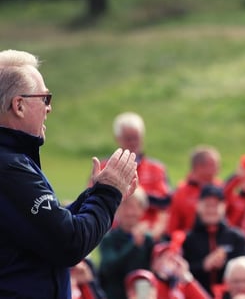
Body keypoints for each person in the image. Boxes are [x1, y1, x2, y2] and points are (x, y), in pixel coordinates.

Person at [0, 49, 139, 298]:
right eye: (45, 98)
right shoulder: (9, 168)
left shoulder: (12, 161)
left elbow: (47, 229)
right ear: (18, 105)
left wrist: (96, 195)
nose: (49, 108)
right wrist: (108, 193)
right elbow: (68, 244)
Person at [110, 111, 172, 239]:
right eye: (128, 138)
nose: (133, 142)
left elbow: (165, 203)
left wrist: (137, 196)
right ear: (118, 139)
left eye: (136, 137)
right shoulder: (106, 166)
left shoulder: (156, 168)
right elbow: (93, 199)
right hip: (114, 234)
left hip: (148, 233)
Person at [183, 184, 245, 294]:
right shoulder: (187, 239)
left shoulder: (236, 237)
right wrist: (204, 265)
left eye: (215, 205)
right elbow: (180, 273)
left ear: (224, 207)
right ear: (198, 206)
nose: (211, 209)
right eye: (207, 205)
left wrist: (225, 264)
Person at [99, 187, 157, 299]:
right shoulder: (109, 239)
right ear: (117, 210)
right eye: (125, 206)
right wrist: (133, 245)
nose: (130, 212)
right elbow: (109, 268)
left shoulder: (148, 240)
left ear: (142, 210)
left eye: (134, 207)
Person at [167, 145, 223, 234]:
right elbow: (173, 226)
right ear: (199, 167)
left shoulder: (220, 187)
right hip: (189, 244)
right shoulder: (182, 192)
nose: (218, 169)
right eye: (213, 164)